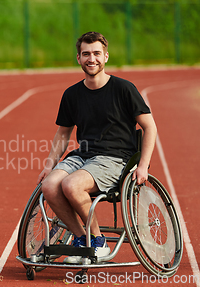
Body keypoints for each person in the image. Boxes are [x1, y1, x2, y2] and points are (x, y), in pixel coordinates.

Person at [37, 32, 157, 264]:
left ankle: (98, 241)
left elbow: (150, 127)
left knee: (71, 185)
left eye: (96, 54)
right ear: (78, 59)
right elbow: (63, 133)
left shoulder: (124, 89)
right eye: (86, 54)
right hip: (83, 156)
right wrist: (49, 164)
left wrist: (143, 166)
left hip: (116, 158)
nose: (91, 59)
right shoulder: (71, 94)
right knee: (50, 185)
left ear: (106, 57)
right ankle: (83, 239)